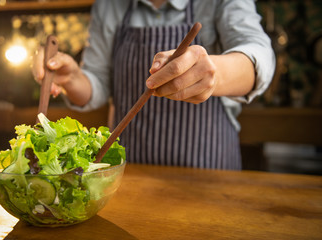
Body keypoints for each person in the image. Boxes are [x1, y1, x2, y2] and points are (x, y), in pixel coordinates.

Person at [32, 0, 275, 170]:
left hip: (209, 174)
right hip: (130, 173)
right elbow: (97, 84)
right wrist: (71, 78)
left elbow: (259, 58)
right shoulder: (109, 4)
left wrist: (215, 74)